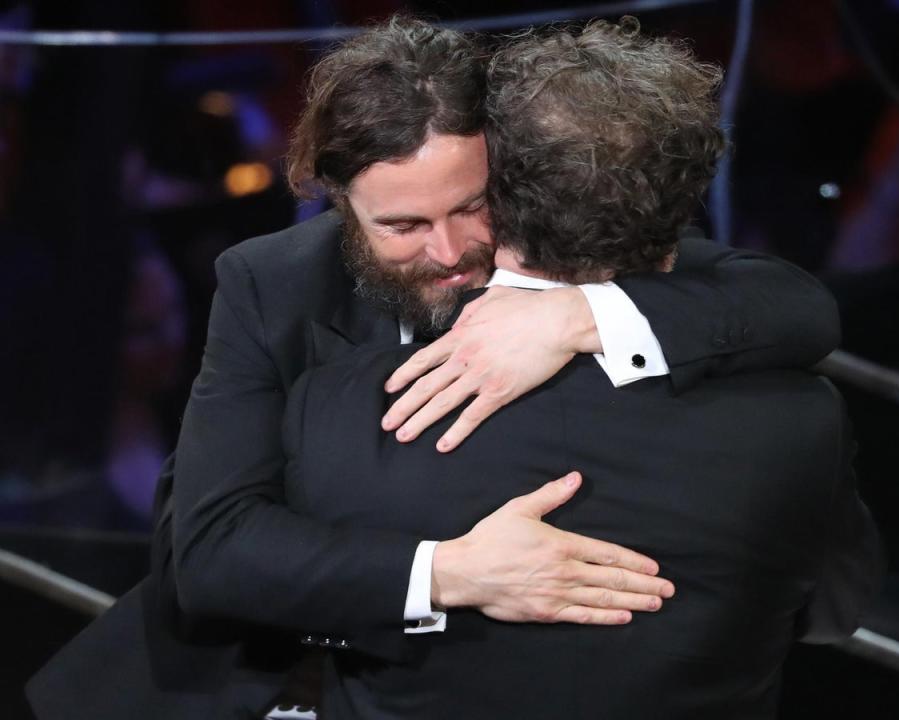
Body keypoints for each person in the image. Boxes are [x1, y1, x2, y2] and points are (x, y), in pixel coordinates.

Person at [28, 16, 843, 720]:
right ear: (334, 197)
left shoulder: (567, 241)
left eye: (470, 206)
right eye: (405, 224)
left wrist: (583, 315)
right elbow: (207, 555)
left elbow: (795, 307)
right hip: (261, 673)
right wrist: (450, 574)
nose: (451, 252)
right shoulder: (271, 284)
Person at [276, 18, 882, 719]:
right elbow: (836, 611)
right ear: (682, 200)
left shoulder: (346, 409)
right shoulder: (801, 418)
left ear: (493, 188)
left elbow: (278, 606)